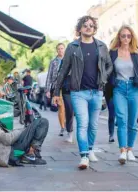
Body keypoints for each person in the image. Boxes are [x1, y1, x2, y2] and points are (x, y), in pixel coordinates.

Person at [53, 15, 113, 169]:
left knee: (93, 125)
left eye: (91, 25)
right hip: (78, 92)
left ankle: (90, 149)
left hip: (97, 91)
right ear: (79, 29)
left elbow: (109, 65)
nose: (88, 27)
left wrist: (104, 78)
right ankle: (84, 155)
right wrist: (55, 92)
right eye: (85, 25)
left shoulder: (101, 46)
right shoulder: (72, 47)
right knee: (83, 124)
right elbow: (63, 70)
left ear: (94, 29)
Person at [109, 25, 138, 165]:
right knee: (121, 119)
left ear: (132, 37)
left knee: (132, 121)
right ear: (119, 37)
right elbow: (108, 70)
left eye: (128, 36)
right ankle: (123, 151)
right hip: (119, 88)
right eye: (123, 35)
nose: (126, 38)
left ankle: (130, 149)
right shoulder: (113, 52)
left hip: (134, 88)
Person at [0, 100, 49, 166]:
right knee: (42, 122)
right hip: (10, 153)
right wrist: (22, 130)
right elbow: (7, 139)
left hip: (8, 150)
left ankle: (31, 153)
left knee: (35, 125)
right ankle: (31, 154)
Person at [45, 43, 66, 136]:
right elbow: (49, 75)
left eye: (62, 48)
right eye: (59, 49)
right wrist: (48, 90)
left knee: (68, 108)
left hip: (67, 86)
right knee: (61, 107)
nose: (60, 50)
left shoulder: (68, 60)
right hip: (56, 87)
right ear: (57, 50)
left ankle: (67, 125)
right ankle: (62, 127)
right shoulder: (53, 62)